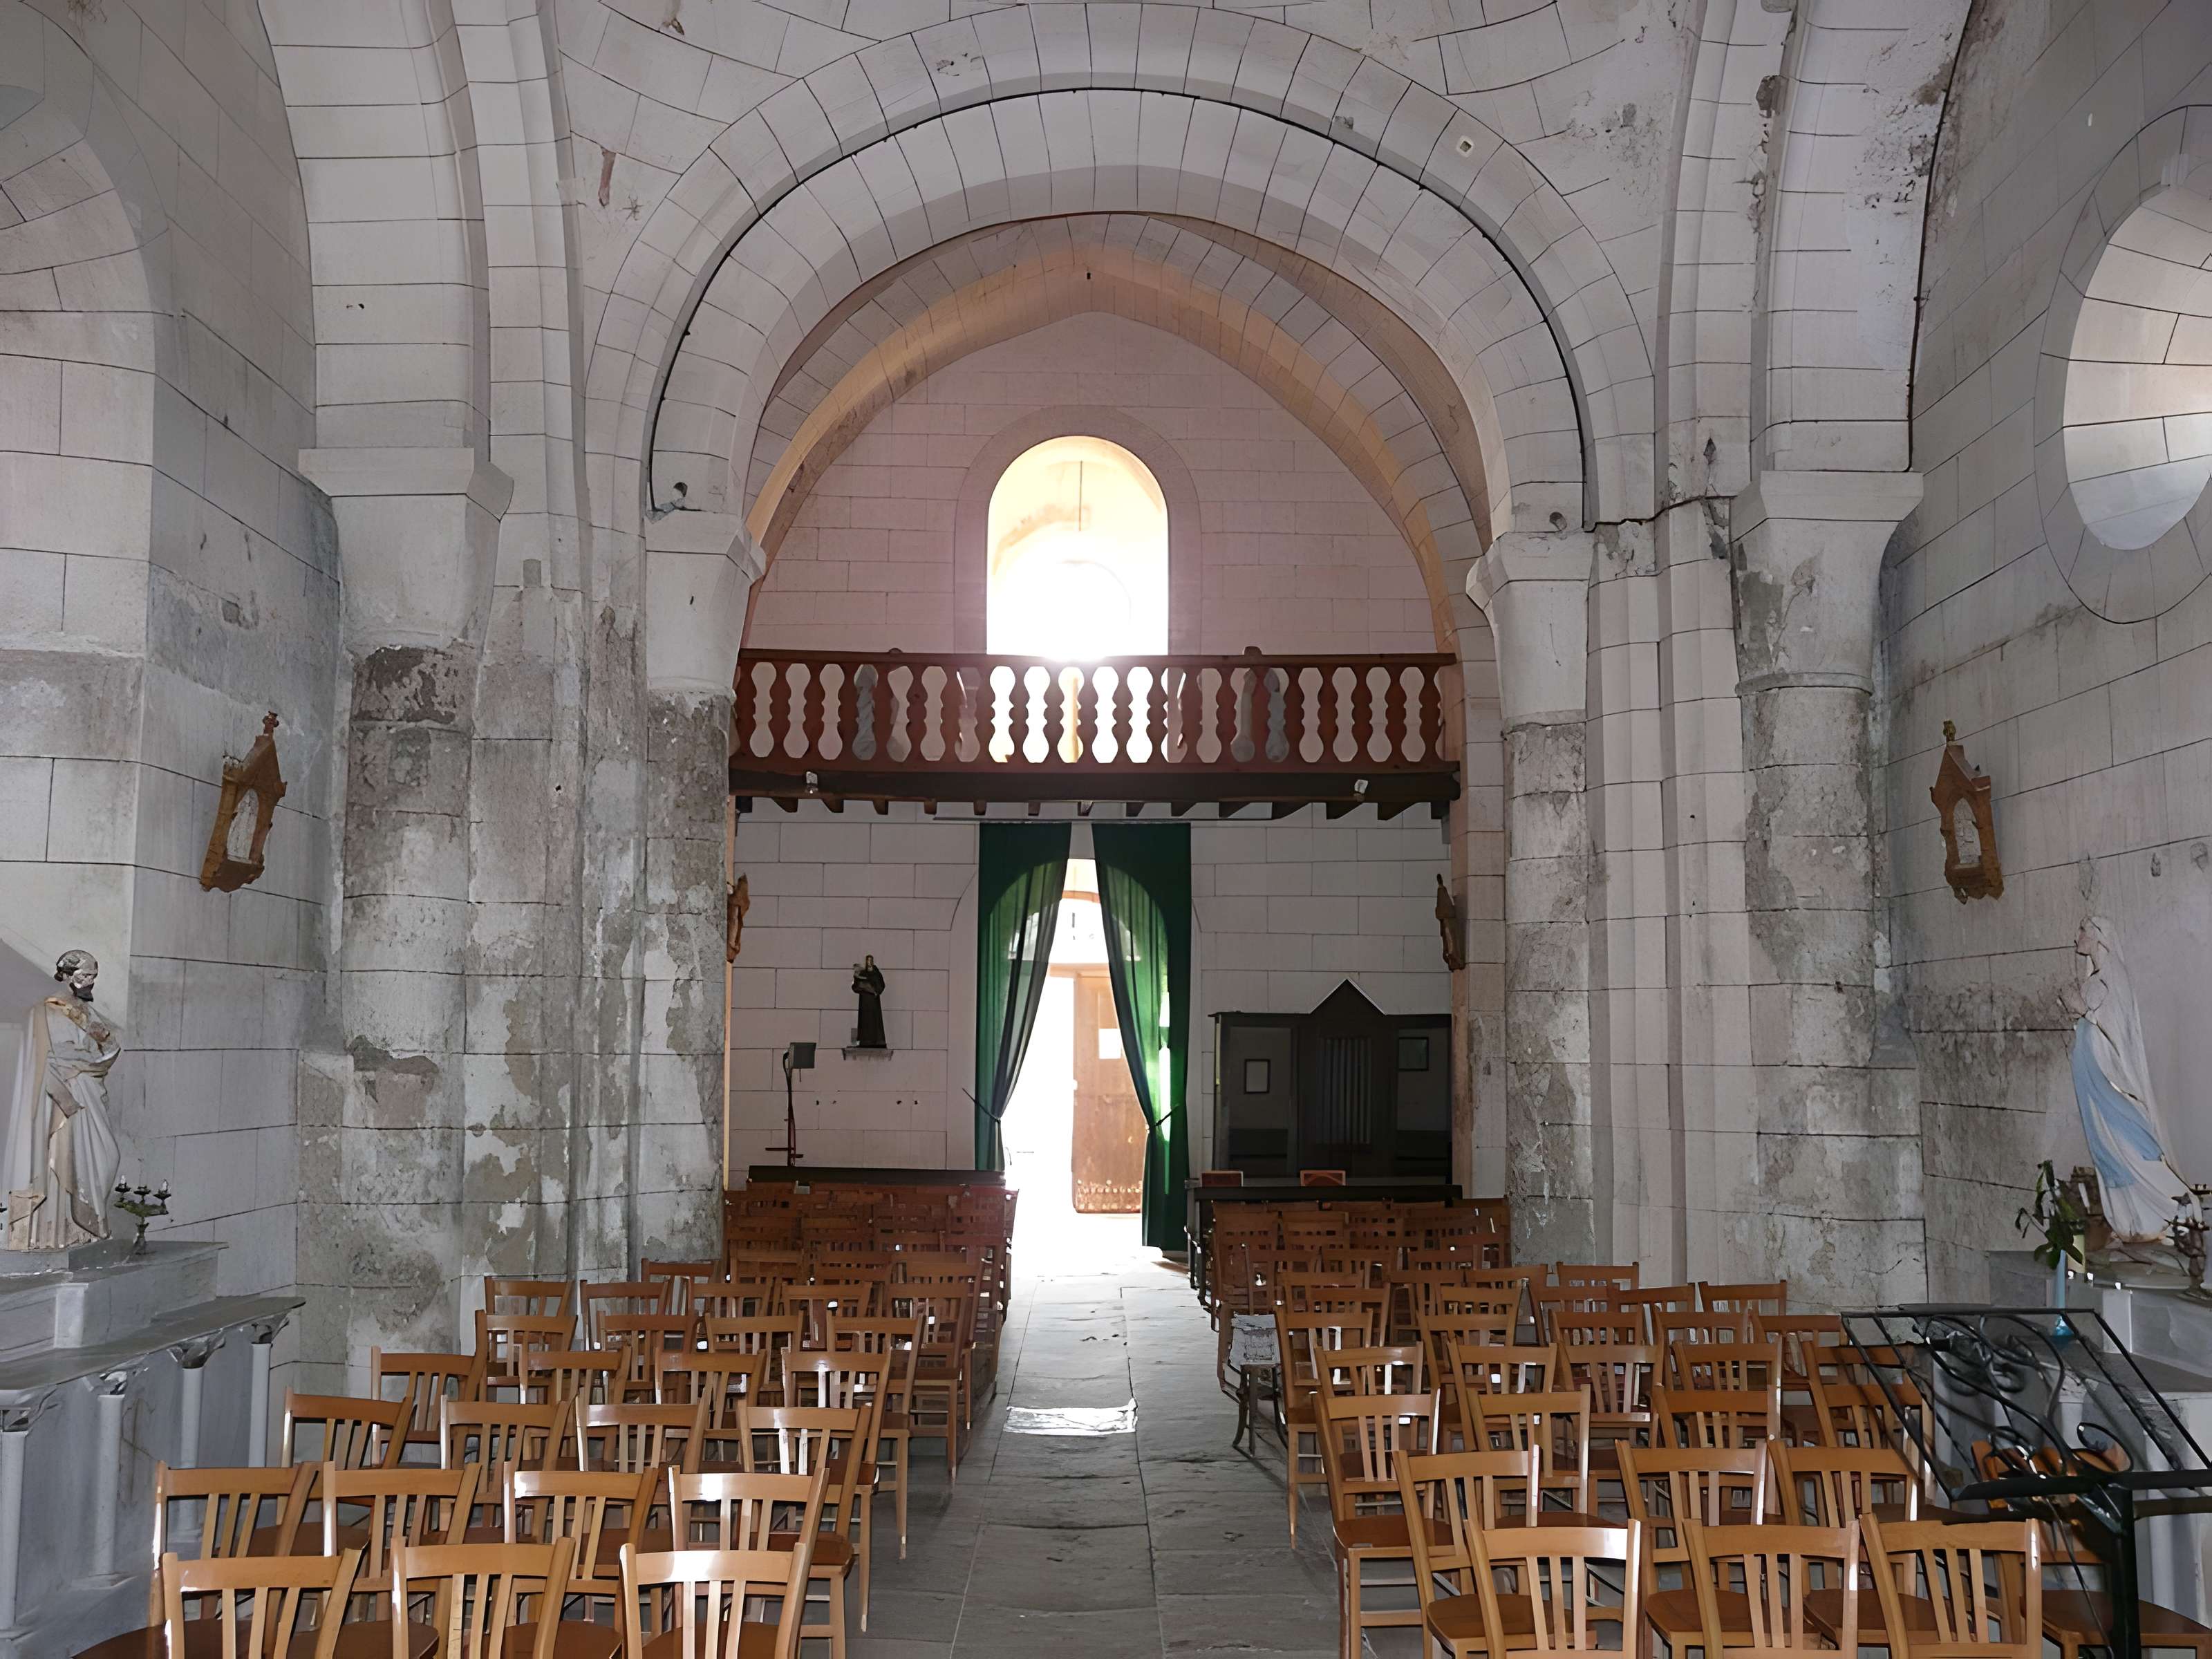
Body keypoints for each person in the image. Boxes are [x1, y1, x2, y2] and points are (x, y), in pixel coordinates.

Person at [2066, 917, 2194, 1247]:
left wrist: (2080, 1008)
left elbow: (2113, 1026)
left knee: (2131, 1145)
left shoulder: (2112, 978)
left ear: (2099, 936)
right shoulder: (2096, 979)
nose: (2077, 937)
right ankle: (2132, 1221)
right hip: (2092, 1076)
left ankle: (2180, 1209)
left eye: (2083, 930)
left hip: (2110, 1078)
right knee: (2109, 1149)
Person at [3, 949, 123, 1250]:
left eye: (94, 976)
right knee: (61, 1155)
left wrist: (94, 1056)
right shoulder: (49, 1010)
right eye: (84, 975)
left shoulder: (85, 1011)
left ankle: (83, 1227)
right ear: (67, 976)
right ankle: (55, 1233)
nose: (90, 982)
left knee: (106, 1156)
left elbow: (108, 1047)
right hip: (64, 1097)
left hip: (89, 1091)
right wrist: (87, 1058)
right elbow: (55, 1056)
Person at [852, 955, 887, 1049]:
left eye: (870, 960)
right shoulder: (862, 973)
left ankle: (876, 1041)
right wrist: (859, 983)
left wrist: (873, 989)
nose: (869, 962)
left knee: (874, 1022)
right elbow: (855, 987)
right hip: (864, 1003)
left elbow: (881, 986)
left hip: (874, 1003)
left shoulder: (876, 974)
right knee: (865, 1022)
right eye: (868, 961)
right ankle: (864, 1041)